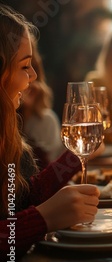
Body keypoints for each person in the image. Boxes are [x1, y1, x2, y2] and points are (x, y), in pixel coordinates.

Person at [0, 4, 99, 262]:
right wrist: (43, 219)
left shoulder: (6, 132)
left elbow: (21, 198)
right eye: (24, 66)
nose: (33, 76)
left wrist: (73, 161)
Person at [17, 40, 65, 169]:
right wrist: (74, 160)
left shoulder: (43, 121)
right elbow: (17, 188)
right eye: (24, 66)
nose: (33, 75)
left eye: (32, 65)